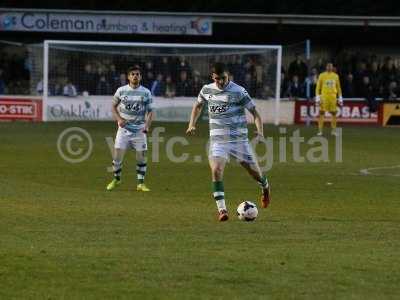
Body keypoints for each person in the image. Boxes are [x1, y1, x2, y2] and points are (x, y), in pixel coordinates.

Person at [186, 62, 271, 222]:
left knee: (256, 174)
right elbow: (198, 106)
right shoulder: (206, 90)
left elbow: (255, 113)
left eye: (224, 78)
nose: (221, 82)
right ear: (213, 77)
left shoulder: (238, 91)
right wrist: (192, 123)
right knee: (216, 170)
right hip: (218, 141)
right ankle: (222, 210)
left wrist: (260, 133)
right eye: (217, 79)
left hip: (239, 141)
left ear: (228, 76)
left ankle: (265, 186)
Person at [106, 66, 154, 192]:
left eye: (137, 74)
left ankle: (140, 183)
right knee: (117, 157)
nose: (135, 76)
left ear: (140, 76)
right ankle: (116, 179)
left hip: (139, 130)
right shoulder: (121, 91)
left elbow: (150, 112)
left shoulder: (146, 92)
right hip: (124, 130)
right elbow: (113, 106)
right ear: (128, 77)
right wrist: (119, 119)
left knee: (141, 158)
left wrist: (147, 126)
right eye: (132, 74)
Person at [315, 62, 343, 136]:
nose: (329, 67)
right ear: (326, 67)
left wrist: (340, 97)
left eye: (331, 66)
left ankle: (333, 130)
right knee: (321, 113)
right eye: (328, 66)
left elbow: (338, 87)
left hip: (333, 97)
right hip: (324, 97)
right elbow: (318, 87)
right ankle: (320, 130)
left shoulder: (336, 76)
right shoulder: (322, 75)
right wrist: (317, 97)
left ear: (332, 67)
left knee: (334, 113)